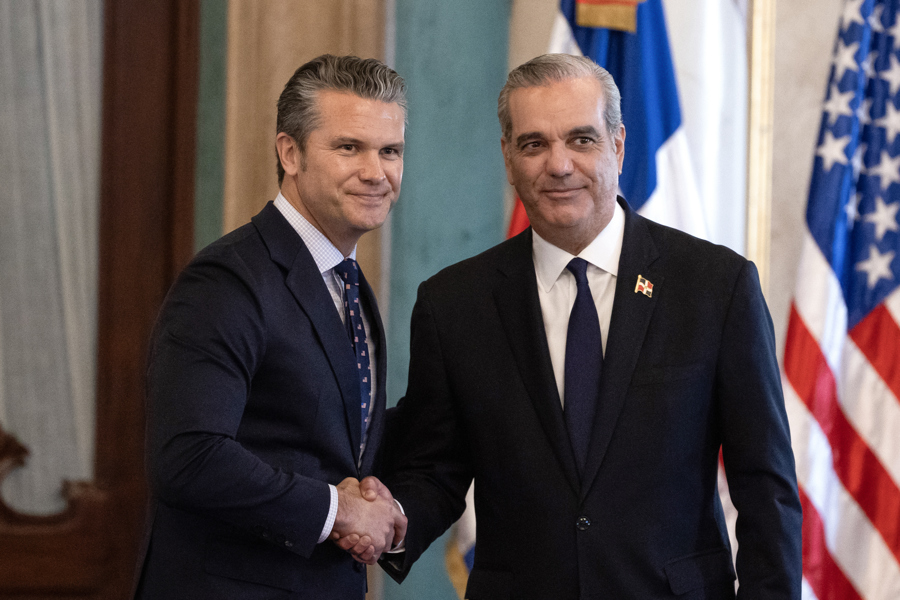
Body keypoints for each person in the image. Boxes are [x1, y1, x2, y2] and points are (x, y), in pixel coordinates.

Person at [370, 54, 802, 599]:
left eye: (581, 140)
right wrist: (387, 519)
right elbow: (437, 467)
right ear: (508, 157)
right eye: (534, 144)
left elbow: (766, 487)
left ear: (617, 145)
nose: (559, 165)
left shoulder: (715, 287)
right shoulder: (455, 303)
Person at [133, 54, 408, 600]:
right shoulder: (228, 278)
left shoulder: (347, 282)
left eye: (390, 151)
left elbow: (329, 443)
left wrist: (382, 502)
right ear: (291, 153)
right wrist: (336, 511)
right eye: (348, 147)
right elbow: (187, 456)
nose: (376, 172)